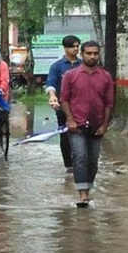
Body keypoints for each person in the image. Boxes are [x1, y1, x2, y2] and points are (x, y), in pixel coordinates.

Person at [58, 40, 114, 208]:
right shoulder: (71, 75)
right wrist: (70, 119)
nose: (92, 56)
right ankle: (82, 195)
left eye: (95, 53)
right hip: (77, 126)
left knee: (93, 161)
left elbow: (109, 103)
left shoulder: (105, 77)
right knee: (80, 157)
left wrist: (104, 125)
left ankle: (87, 190)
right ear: (82, 54)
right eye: (88, 53)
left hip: (97, 126)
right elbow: (64, 99)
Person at [45, 35, 82, 174]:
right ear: (65, 48)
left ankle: (81, 161)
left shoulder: (82, 65)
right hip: (63, 107)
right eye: (73, 46)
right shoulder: (57, 66)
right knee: (65, 135)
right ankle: (69, 165)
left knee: (82, 132)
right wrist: (53, 96)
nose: (76, 49)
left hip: (81, 106)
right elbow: (50, 84)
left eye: (78, 46)